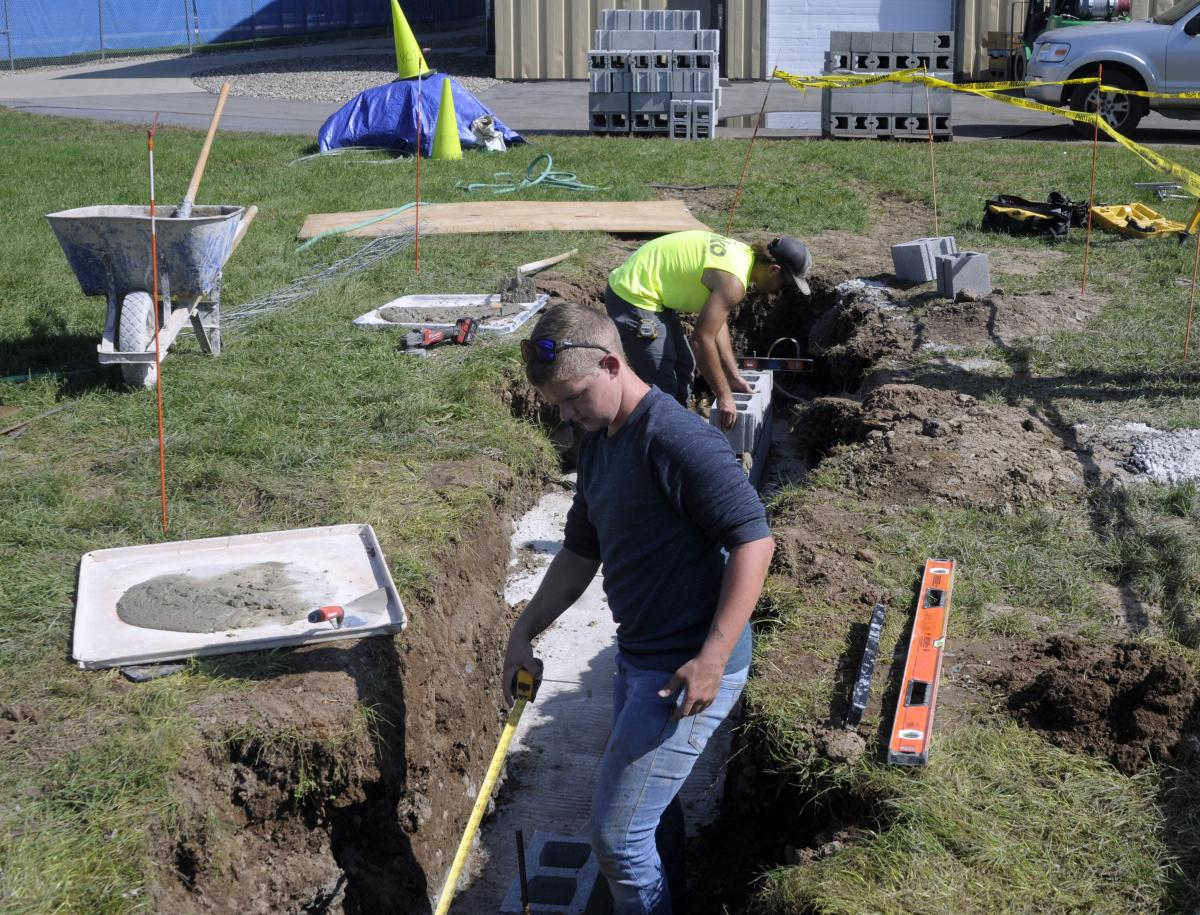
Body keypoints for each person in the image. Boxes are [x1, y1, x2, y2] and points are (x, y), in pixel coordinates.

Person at [503, 303, 775, 914]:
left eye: (573, 398)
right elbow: (579, 552)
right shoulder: (600, 441)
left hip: (685, 673)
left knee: (618, 838)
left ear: (610, 362)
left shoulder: (676, 439)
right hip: (640, 658)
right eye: (557, 407)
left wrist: (712, 656)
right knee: (648, 812)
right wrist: (523, 632)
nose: (568, 415)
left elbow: (755, 541)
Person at [605, 230, 813, 430]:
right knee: (663, 386)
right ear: (773, 269)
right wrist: (723, 395)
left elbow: (717, 325)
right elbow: (701, 340)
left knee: (685, 365)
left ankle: (678, 424)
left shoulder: (743, 257)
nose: (779, 291)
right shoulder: (733, 282)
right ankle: (652, 439)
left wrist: (732, 375)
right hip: (633, 295)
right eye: (784, 285)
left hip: (655, 291)